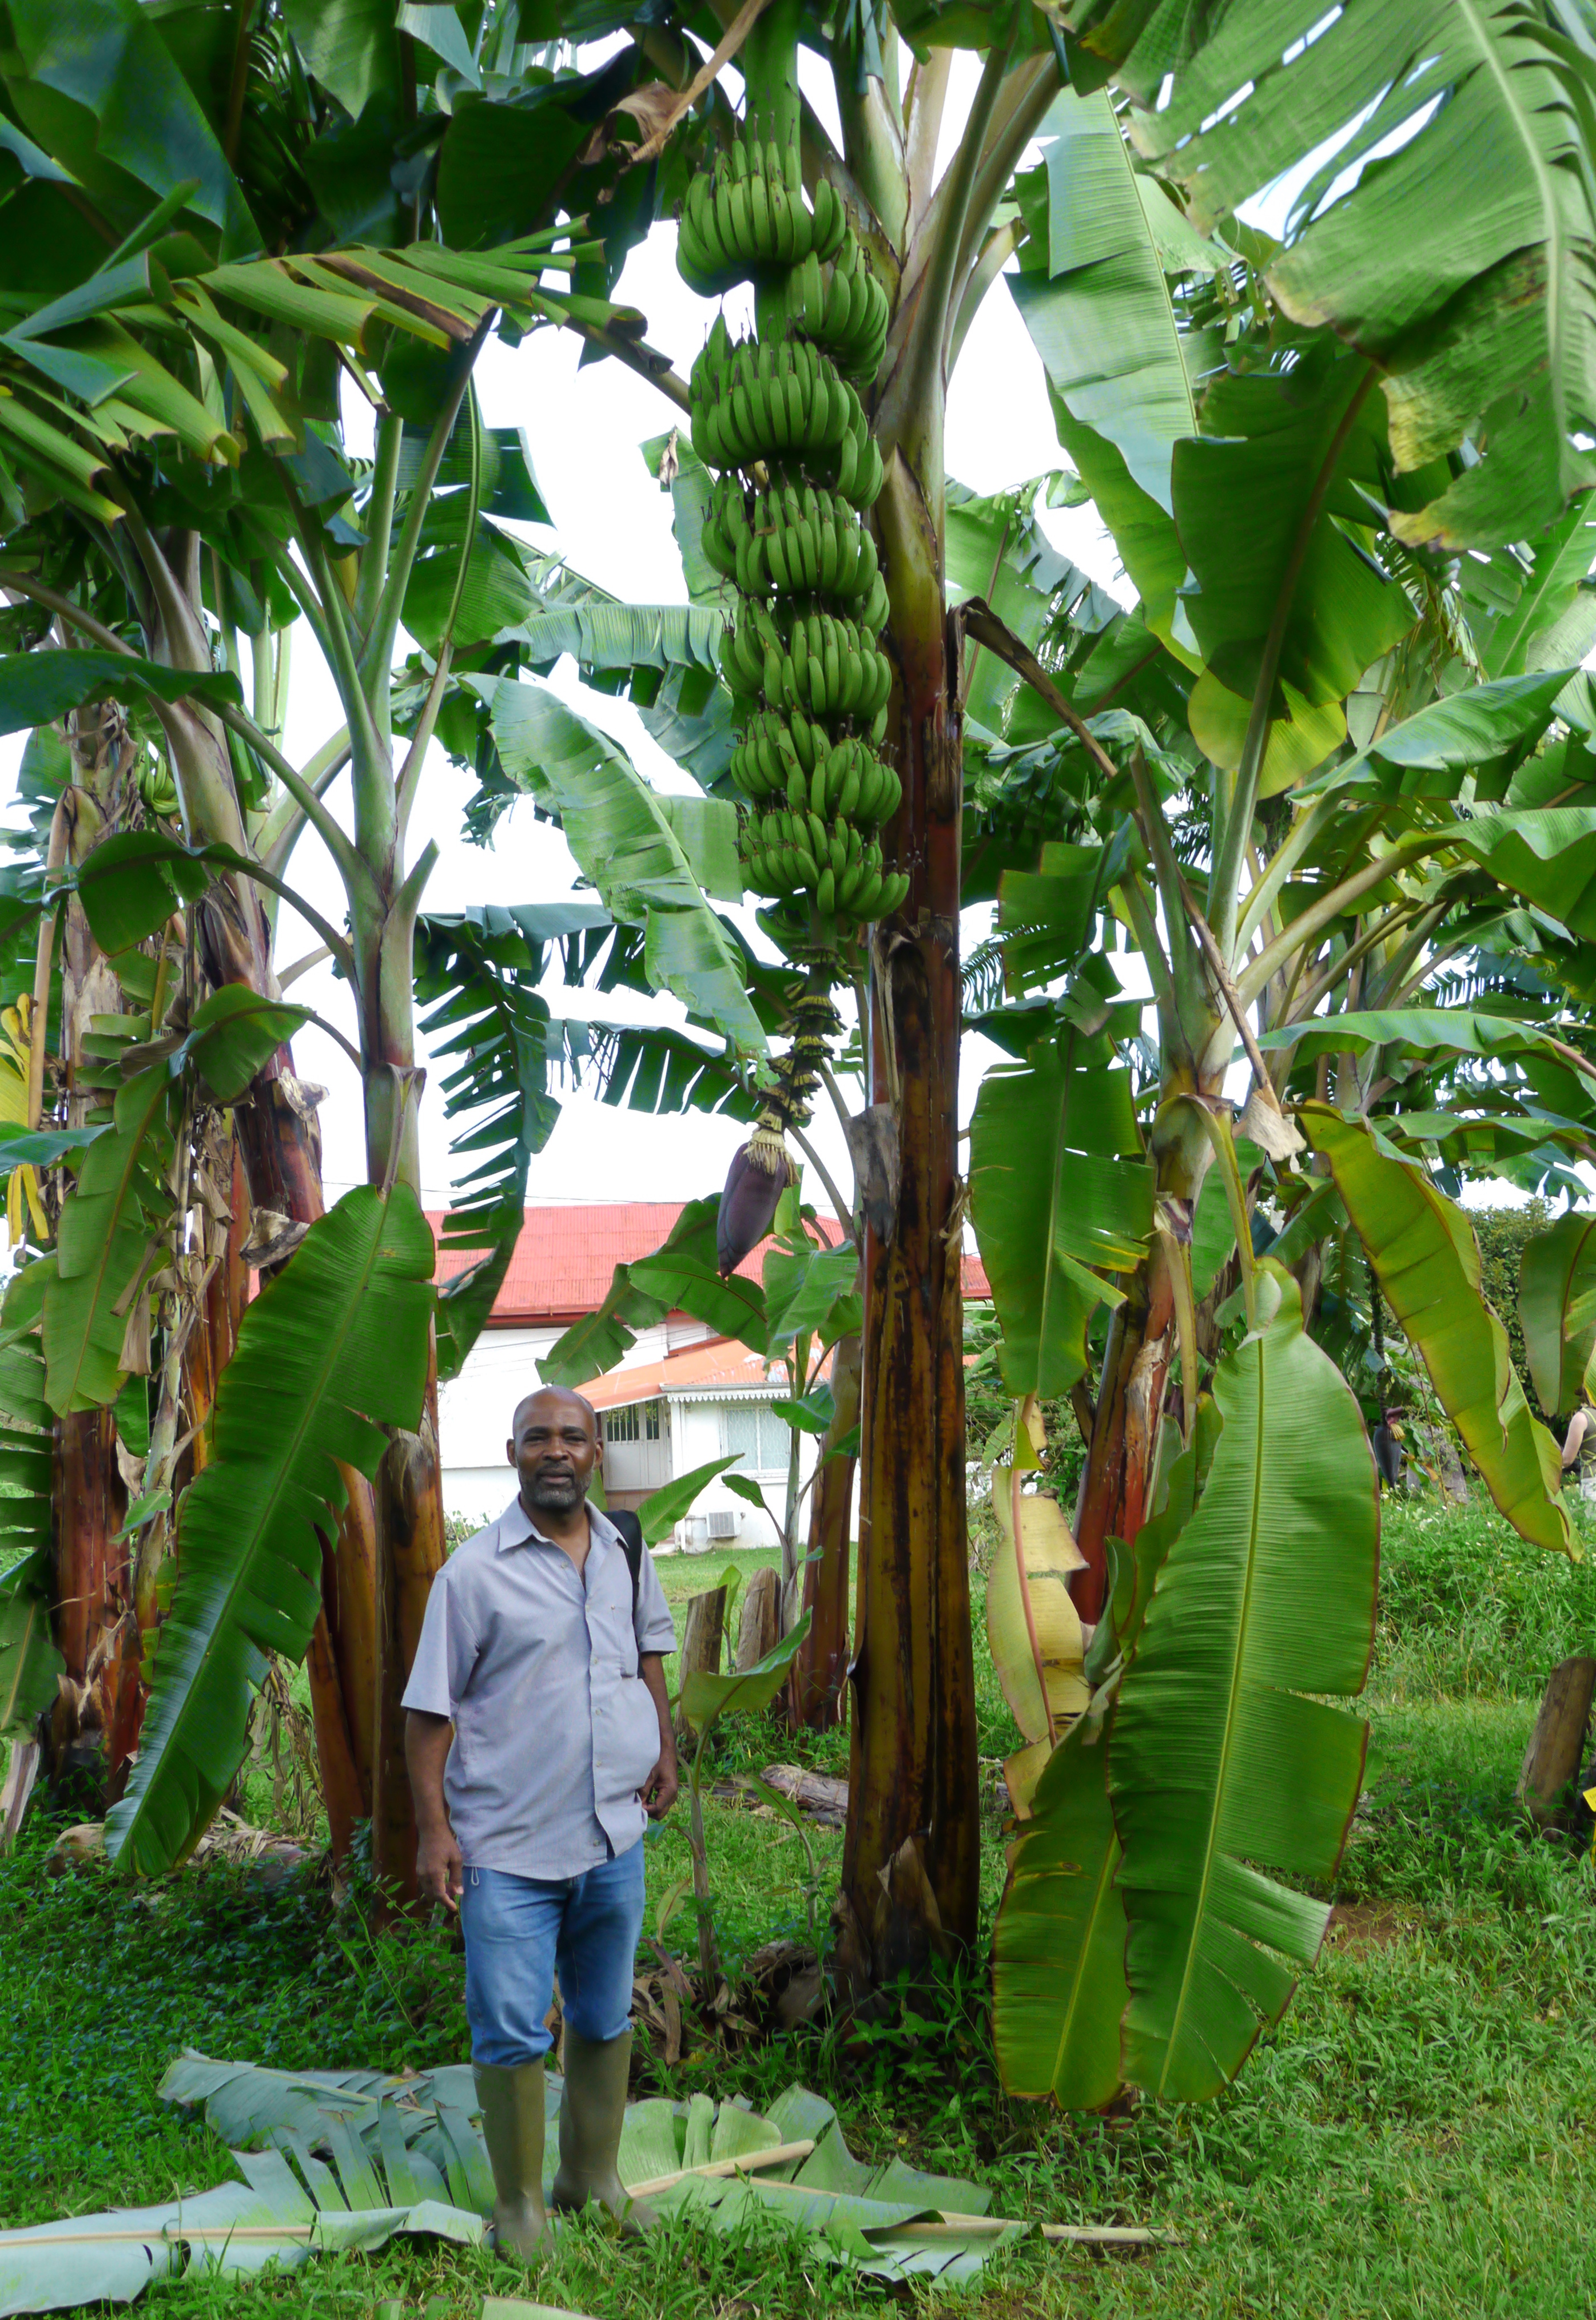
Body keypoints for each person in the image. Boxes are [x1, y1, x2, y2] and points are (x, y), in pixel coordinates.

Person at [403, 1387, 678, 2259]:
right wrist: (433, 1831)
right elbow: (428, 1716)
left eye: (572, 1437)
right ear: (513, 1452)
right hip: (509, 1852)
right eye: (537, 1439)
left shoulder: (626, 1550)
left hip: (612, 1840)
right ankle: (522, 2207)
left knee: (602, 2016)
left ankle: (590, 2177)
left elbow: (647, 1656)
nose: (555, 1451)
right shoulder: (473, 1575)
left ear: (597, 1451)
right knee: (513, 2027)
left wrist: (663, 1748)